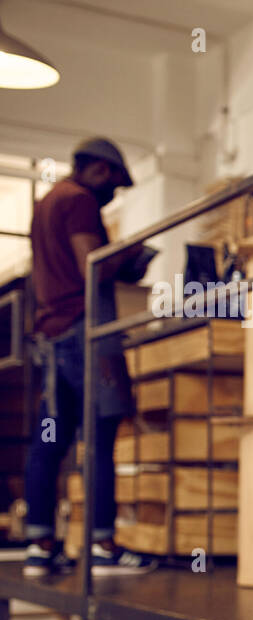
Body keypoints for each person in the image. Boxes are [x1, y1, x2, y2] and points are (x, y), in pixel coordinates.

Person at [23, 137, 155, 576]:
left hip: (51, 340)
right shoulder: (79, 201)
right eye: (114, 184)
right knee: (99, 433)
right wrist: (131, 255)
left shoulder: (46, 203)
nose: (112, 194)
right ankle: (102, 544)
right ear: (100, 170)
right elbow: (92, 266)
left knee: (48, 439)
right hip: (85, 336)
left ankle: (40, 543)